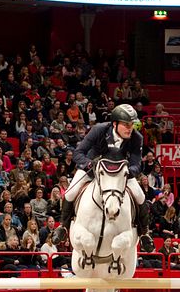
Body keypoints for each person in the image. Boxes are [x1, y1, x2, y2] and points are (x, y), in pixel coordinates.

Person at [52, 104, 148, 244]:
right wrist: (89, 164)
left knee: (140, 196)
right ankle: (63, 227)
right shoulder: (99, 130)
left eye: (132, 124)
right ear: (114, 123)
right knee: (70, 193)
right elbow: (78, 153)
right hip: (93, 168)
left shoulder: (136, 137)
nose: (130, 128)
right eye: (126, 124)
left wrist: (128, 172)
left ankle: (145, 233)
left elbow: (137, 164)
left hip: (119, 173)